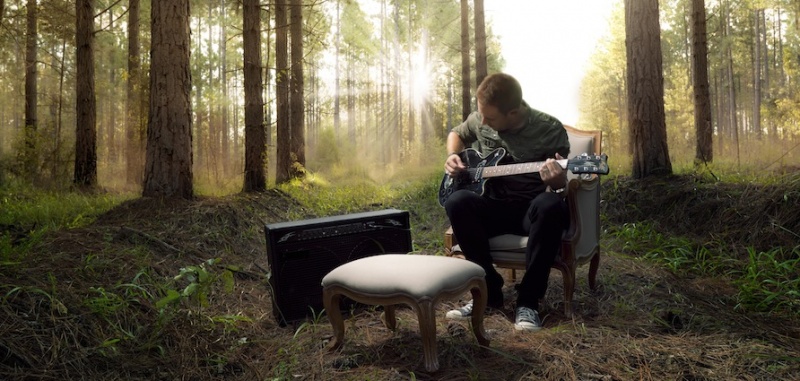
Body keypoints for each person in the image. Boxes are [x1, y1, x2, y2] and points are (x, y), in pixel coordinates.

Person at [443, 72, 570, 331]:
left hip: (529, 209)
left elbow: (560, 184)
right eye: (482, 116)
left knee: (552, 205)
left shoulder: (549, 130)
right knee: (457, 202)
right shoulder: (480, 119)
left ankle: (528, 303)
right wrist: (453, 155)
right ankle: (488, 293)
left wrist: (557, 179)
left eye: (490, 118)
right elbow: (457, 133)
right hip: (493, 206)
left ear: (513, 113)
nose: (484, 122)